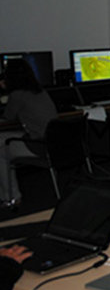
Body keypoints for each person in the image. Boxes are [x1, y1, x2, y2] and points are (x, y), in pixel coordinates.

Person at [0, 60, 57, 208]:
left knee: (1, 150)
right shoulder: (41, 91)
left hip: (38, 145)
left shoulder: (17, 95)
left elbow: (8, 116)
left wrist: (6, 91)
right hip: (53, 143)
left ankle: (11, 197)